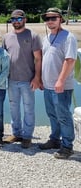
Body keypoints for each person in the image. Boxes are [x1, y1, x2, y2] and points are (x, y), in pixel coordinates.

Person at [38, 8, 77, 159]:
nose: (50, 21)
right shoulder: (46, 38)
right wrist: (40, 78)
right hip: (47, 86)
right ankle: (55, 139)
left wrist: (60, 80)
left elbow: (70, 60)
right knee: (52, 114)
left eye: (53, 18)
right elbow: (43, 60)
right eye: (47, 18)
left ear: (60, 19)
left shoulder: (68, 37)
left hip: (61, 86)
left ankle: (67, 147)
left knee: (63, 116)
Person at [2, 9, 42, 148]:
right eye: (13, 19)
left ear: (24, 19)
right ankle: (16, 133)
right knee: (14, 108)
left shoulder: (33, 35)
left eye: (19, 19)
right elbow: (3, 59)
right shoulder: (6, 37)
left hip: (28, 80)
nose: (16, 22)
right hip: (11, 80)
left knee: (29, 108)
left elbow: (38, 58)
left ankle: (27, 136)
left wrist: (37, 78)